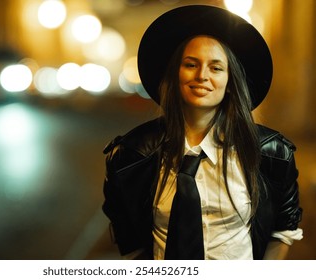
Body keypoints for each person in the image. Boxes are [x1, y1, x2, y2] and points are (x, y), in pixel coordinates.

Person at [102, 5, 303, 260]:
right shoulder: (130, 156)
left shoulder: (272, 153)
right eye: (191, 64)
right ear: (175, 74)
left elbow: (283, 229)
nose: (202, 76)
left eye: (216, 67)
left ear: (230, 82)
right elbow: (130, 240)